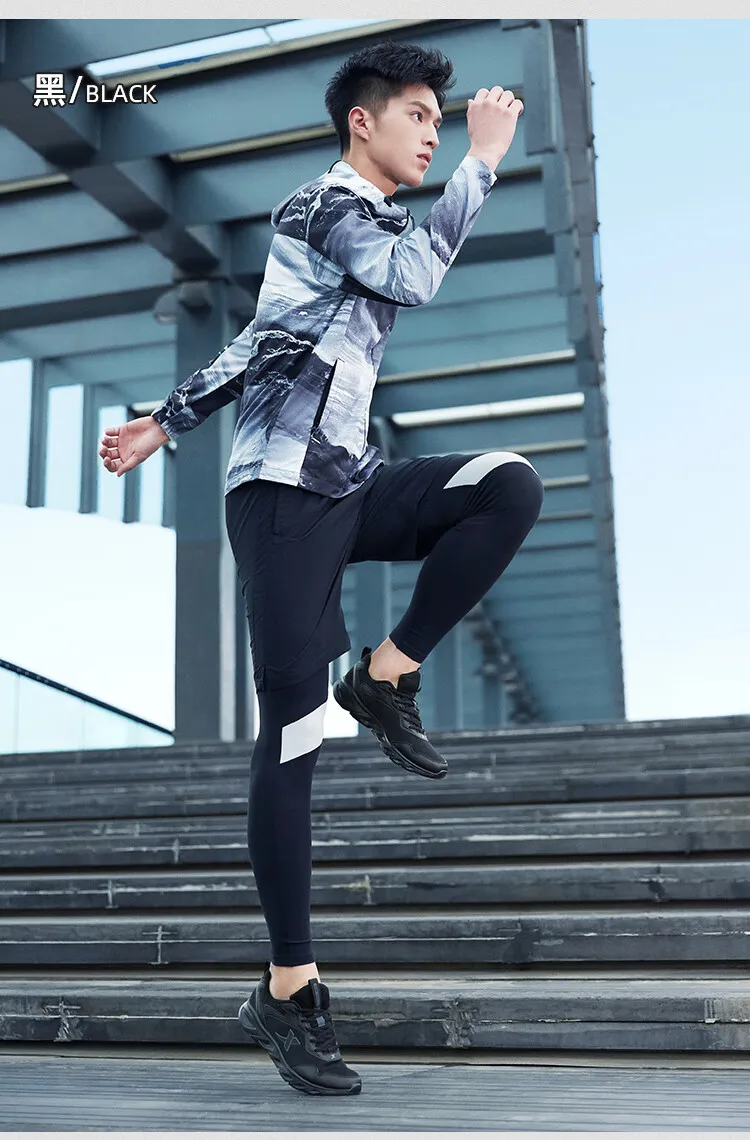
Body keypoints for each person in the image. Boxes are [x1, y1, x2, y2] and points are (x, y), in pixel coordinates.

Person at [99, 40, 544, 1097]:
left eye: (443, 119)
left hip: (351, 479)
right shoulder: (326, 204)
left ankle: (387, 673)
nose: (434, 132)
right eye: (420, 115)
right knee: (296, 736)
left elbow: (261, 338)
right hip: (281, 496)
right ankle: (288, 989)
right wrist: (483, 160)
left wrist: (165, 418)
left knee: (507, 485)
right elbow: (412, 281)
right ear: (363, 122)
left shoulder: (361, 222)